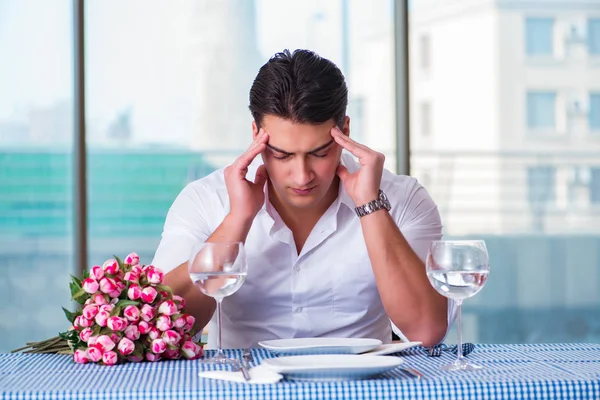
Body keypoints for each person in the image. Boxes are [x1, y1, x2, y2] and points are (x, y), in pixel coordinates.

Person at [152, 49, 454, 349]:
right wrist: (237, 220)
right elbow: (162, 326)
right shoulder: (204, 200)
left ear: (345, 131)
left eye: (319, 153)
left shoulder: (403, 198)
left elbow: (426, 330)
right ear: (256, 133)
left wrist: (370, 206)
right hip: (243, 387)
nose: (302, 176)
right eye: (282, 155)